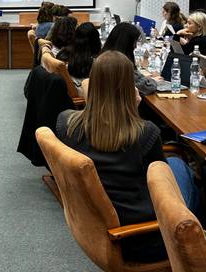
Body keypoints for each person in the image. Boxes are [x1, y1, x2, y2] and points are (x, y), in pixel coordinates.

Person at [56, 51, 198, 263]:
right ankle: (197, 240)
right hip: (142, 236)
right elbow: (158, 182)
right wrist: (134, 110)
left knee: (177, 164)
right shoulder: (144, 133)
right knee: (180, 167)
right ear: (128, 87)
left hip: (97, 225)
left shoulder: (66, 122)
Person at [103, 22, 157, 95]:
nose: (135, 47)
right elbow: (148, 87)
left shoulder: (103, 57)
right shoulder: (122, 64)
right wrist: (154, 80)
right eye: (134, 42)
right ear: (127, 43)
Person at [56, 22, 101, 92]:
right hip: (84, 97)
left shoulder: (63, 53)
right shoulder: (93, 63)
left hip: (67, 93)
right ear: (96, 40)